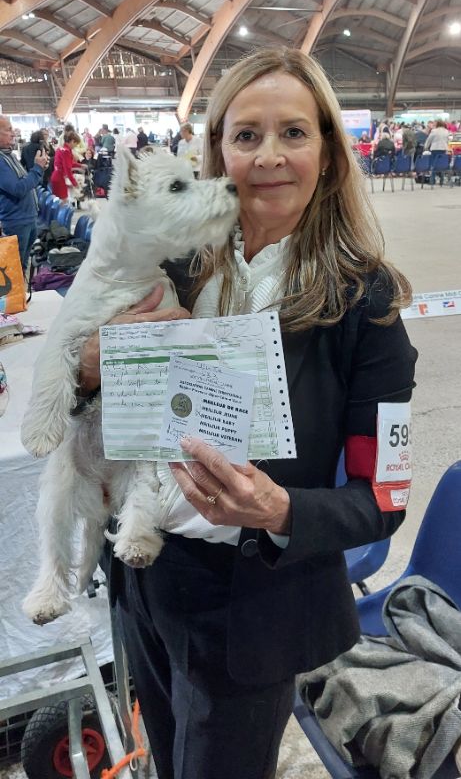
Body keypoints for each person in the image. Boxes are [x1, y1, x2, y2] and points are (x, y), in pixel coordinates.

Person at [76, 48, 417, 779]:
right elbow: (83, 393)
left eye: (293, 133)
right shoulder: (170, 266)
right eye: (246, 135)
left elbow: (383, 498)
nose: (268, 156)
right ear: (218, 153)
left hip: (252, 603)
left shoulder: (367, 303)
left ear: (328, 154)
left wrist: (281, 510)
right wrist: (86, 367)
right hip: (144, 574)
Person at [0, 115, 49, 271]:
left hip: (26, 219)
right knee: (14, 271)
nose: (13, 133)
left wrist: (39, 169)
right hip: (16, 222)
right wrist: (37, 169)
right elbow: (18, 189)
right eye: (8, 130)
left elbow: (27, 183)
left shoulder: (9, 156)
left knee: (21, 268)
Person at [50, 129, 80, 201]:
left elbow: (69, 163)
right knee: (63, 201)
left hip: (55, 177)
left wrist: (80, 166)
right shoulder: (66, 152)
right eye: (76, 143)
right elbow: (68, 169)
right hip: (60, 178)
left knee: (57, 201)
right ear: (72, 141)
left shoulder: (60, 149)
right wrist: (74, 183)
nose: (76, 146)